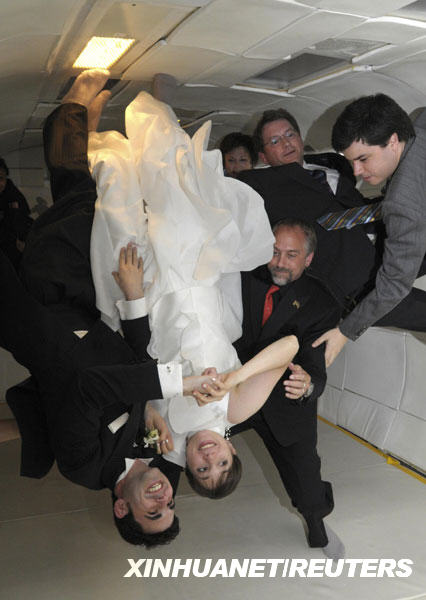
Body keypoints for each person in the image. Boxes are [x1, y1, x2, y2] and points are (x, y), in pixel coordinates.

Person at [230, 218, 344, 559]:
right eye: (274, 251)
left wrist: (308, 385)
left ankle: (317, 524)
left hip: (285, 398)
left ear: (308, 259)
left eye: (291, 255)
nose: (279, 262)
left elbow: (316, 366)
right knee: (179, 441)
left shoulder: (322, 302)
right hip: (234, 390)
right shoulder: (241, 276)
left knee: (306, 481)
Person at [313, 94, 426, 365]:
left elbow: (395, 284)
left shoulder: (401, 204)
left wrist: (345, 331)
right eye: (351, 160)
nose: (356, 170)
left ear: (393, 141)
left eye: (363, 159)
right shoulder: (421, 122)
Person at [238, 108, 380, 308]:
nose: (287, 143)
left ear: (300, 138)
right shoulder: (259, 186)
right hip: (324, 286)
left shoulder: (332, 174)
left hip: (372, 266)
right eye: (275, 141)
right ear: (264, 156)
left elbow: (360, 214)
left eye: (290, 135)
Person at [0, 157, 32, 270]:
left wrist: (22, 240)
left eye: (1, 178)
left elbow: (20, 219)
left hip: (13, 247)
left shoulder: (13, 195)